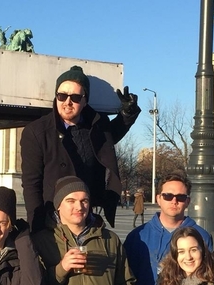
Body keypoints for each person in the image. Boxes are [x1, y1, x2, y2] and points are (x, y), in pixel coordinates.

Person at [20, 65, 140, 231]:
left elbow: (110, 138)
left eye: (75, 97)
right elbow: (31, 184)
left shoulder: (97, 124)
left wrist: (127, 113)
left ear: (85, 101)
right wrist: (36, 227)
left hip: (86, 215)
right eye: (62, 96)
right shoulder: (36, 132)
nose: (67, 102)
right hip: (52, 220)